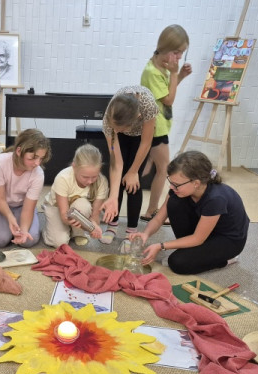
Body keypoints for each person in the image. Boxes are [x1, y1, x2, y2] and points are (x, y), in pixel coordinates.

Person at [130, 151, 249, 274]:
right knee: (174, 202)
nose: (171, 187)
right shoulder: (181, 190)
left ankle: (227, 260)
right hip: (204, 231)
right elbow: (159, 219)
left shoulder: (216, 198)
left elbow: (198, 239)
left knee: (177, 263)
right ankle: (191, 250)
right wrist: (146, 233)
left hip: (227, 240)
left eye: (176, 184)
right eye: (171, 182)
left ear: (196, 183)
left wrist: (161, 246)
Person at [140, 24, 192, 223]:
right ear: (167, 48)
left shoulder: (162, 67)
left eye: (182, 53)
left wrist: (180, 76)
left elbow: (166, 91)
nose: (179, 57)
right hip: (155, 128)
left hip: (159, 125)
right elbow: (169, 100)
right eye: (177, 53)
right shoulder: (153, 71)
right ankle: (152, 211)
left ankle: (150, 208)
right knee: (164, 170)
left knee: (149, 168)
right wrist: (176, 73)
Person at [99, 86, 159, 244]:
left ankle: (131, 231)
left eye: (120, 128)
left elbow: (146, 143)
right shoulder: (110, 120)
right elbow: (116, 162)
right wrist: (112, 197)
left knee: (133, 183)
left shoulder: (148, 107)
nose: (117, 130)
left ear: (137, 117)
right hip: (122, 137)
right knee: (116, 183)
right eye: (114, 127)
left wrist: (133, 171)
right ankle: (112, 226)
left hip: (140, 138)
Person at [0, 129, 51, 248]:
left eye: (41, 158)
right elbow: (0, 199)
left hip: (23, 206)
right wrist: (10, 217)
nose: (37, 163)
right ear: (19, 151)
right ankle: (7, 225)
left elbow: (28, 208)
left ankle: (16, 227)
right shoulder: (0, 162)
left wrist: (24, 230)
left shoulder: (38, 174)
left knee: (28, 240)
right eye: (33, 158)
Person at [42, 144, 108, 247]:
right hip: (56, 207)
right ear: (74, 167)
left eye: (94, 177)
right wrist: (69, 222)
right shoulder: (63, 178)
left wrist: (93, 227)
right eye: (85, 177)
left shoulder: (102, 181)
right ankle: (50, 230)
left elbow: (95, 215)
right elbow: (64, 214)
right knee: (59, 242)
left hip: (78, 209)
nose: (90, 181)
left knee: (83, 205)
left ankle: (77, 233)